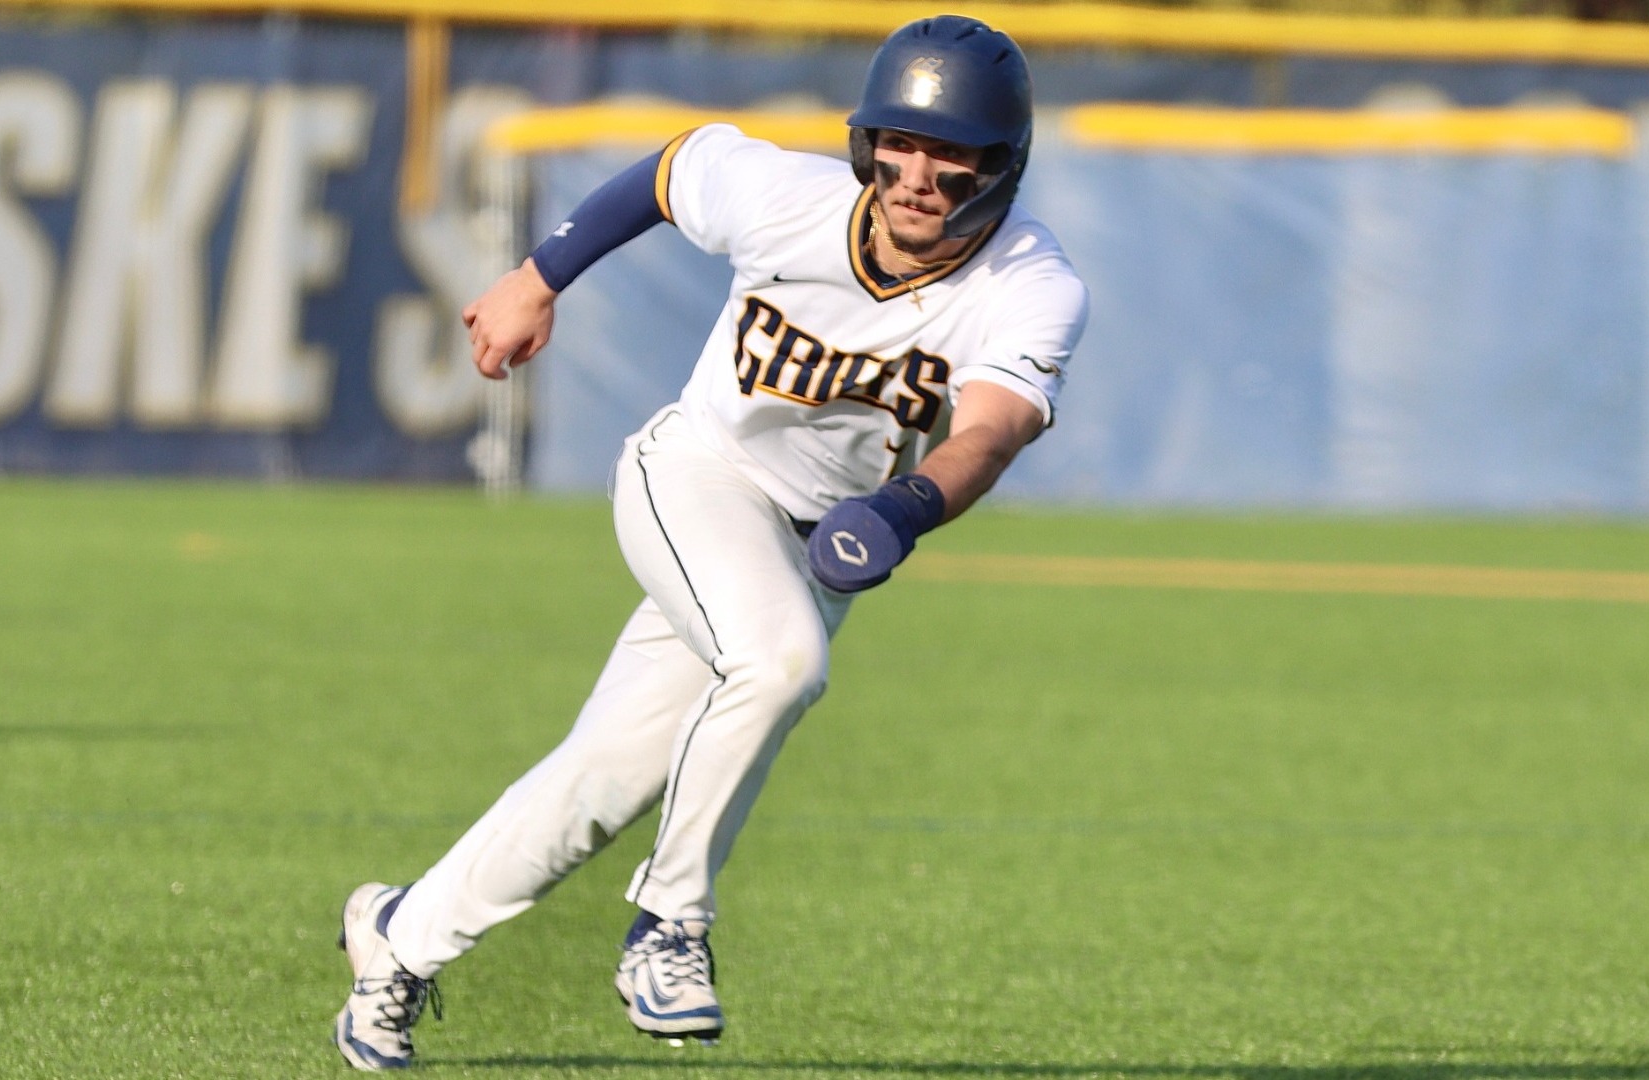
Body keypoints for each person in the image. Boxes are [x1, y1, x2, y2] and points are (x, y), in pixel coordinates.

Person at [332, 14, 1089, 1070]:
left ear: (1000, 167)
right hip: (696, 475)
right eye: (899, 143)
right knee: (781, 664)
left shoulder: (1031, 283)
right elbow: (674, 167)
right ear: (867, 142)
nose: (917, 174)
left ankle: (399, 939)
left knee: (600, 783)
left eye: (950, 152)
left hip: (819, 543)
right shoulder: (791, 199)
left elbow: (992, 430)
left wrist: (907, 508)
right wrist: (538, 275)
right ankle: (670, 925)